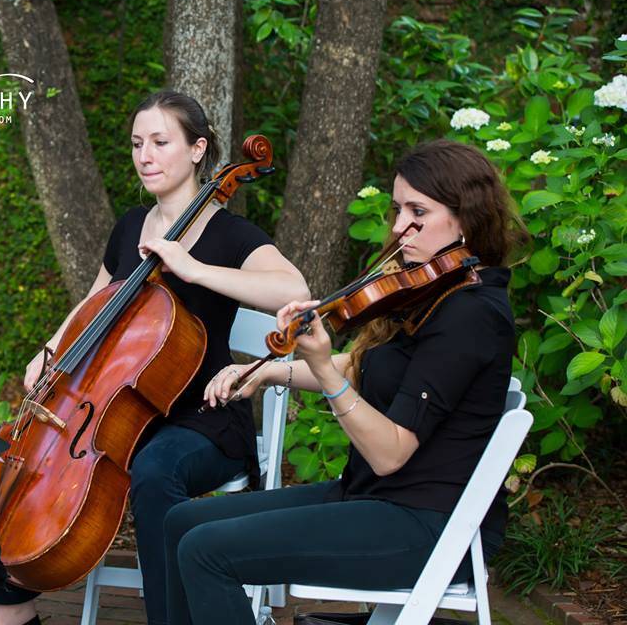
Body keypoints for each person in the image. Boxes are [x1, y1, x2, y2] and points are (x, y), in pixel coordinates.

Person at [0, 90, 310, 625]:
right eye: (136, 144)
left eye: (160, 142)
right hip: (118, 413)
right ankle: (15, 607)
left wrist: (193, 268)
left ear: (198, 150)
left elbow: (293, 287)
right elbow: (93, 301)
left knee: (154, 474)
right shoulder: (131, 225)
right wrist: (51, 352)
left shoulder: (228, 233)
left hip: (202, 419)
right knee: (0, 453)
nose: (144, 155)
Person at [163, 139, 530, 625]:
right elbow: (365, 364)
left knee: (206, 550)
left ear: (466, 219)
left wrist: (321, 369)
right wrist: (269, 370)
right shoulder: (434, 291)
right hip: (371, 497)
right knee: (181, 522)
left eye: (418, 212)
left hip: (426, 525)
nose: (400, 227)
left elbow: (390, 452)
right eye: (398, 209)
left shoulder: (472, 314)